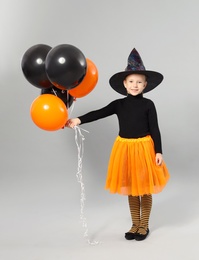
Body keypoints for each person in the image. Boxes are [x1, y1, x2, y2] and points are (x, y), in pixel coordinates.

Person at [66, 48, 170, 241]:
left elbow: (155, 129)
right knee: (132, 187)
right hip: (125, 148)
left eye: (139, 82)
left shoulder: (148, 105)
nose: (135, 85)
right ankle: (134, 224)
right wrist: (78, 120)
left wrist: (159, 151)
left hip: (144, 148)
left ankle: (144, 225)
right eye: (131, 81)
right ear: (124, 83)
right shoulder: (118, 104)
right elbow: (98, 113)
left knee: (144, 187)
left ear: (145, 85)